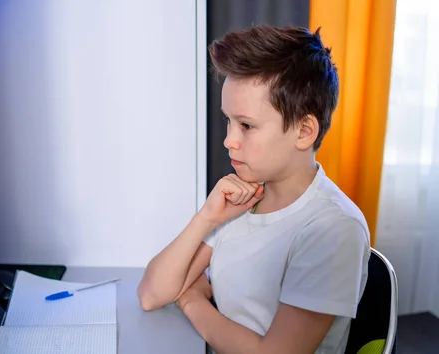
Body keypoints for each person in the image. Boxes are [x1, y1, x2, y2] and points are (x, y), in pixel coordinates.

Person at [137, 25, 371, 354]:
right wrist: (206, 218)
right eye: (228, 122)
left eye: (246, 125)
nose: (229, 141)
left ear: (304, 131)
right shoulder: (244, 200)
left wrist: (192, 302)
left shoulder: (333, 229)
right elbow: (151, 294)